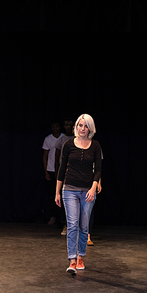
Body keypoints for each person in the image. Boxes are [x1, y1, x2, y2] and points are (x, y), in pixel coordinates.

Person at [55, 114, 102, 274]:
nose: (82, 129)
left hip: (88, 191)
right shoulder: (68, 144)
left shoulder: (95, 145)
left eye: (86, 126)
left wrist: (93, 188)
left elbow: (98, 169)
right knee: (72, 225)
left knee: (83, 226)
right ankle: (72, 260)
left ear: (90, 128)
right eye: (80, 125)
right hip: (69, 189)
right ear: (76, 126)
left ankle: (81, 256)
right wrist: (57, 192)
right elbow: (62, 169)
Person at [42, 121, 65, 225]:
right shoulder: (48, 139)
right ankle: (53, 216)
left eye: (57, 126)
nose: (55, 128)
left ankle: (63, 218)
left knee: (63, 195)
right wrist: (46, 171)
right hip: (51, 170)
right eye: (53, 127)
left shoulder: (64, 138)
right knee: (52, 195)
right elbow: (45, 156)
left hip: (62, 170)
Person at [54, 119, 74, 235]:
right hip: (64, 173)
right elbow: (58, 158)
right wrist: (58, 173)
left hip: (74, 173)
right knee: (64, 199)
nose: (68, 127)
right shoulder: (62, 141)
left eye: (70, 125)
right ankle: (65, 224)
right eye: (66, 125)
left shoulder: (77, 140)